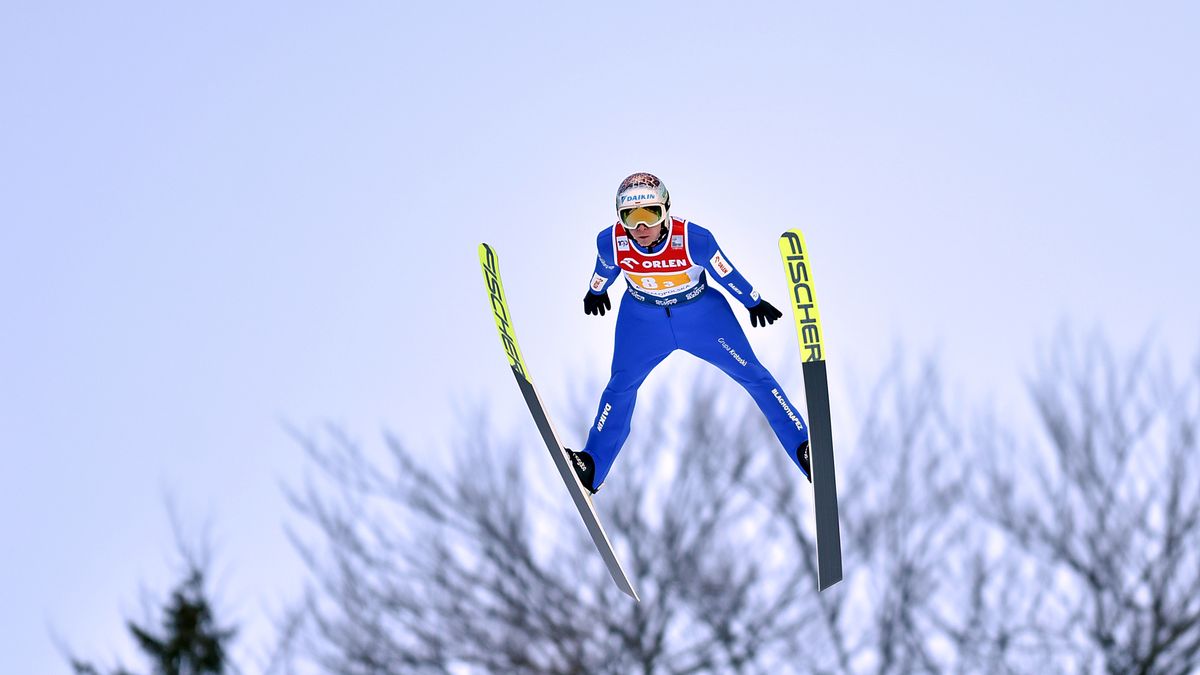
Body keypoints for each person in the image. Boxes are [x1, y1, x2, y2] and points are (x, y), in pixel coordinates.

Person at [566, 172, 811, 493]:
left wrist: (753, 302)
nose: (640, 227)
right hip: (642, 320)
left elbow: (726, 271)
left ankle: (805, 448)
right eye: (630, 217)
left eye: (648, 215)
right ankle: (593, 465)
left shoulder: (694, 239)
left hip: (702, 317)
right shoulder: (611, 241)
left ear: (665, 211)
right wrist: (596, 290)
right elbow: (604, 267)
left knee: (755, 376)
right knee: (620, 386)